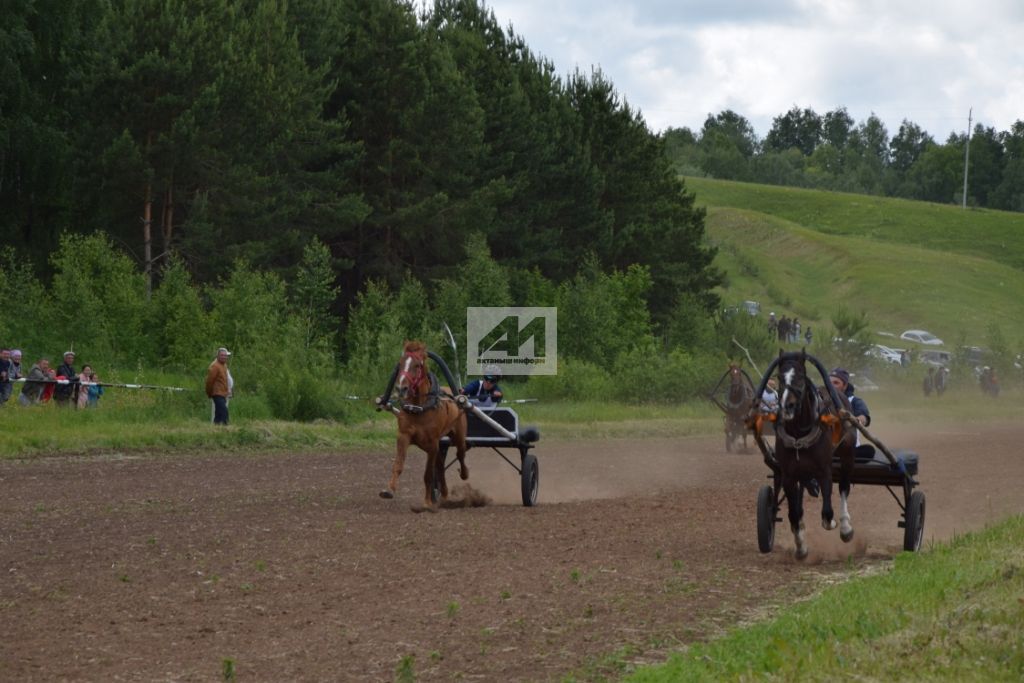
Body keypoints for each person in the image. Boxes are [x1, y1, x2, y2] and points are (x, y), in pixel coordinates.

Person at [829, 367, 874, 459]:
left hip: (847, 447)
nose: (831, 386)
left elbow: (864, 418)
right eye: (829, 383)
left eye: (836, 383)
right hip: (824, 448)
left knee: (869, 451)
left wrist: (856, 420)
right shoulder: (819, 400)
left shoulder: (854, 401)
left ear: (845, 386)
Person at [205, 347, 232, 425]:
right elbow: (209, 381)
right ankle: (225, 429)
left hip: (223, 393)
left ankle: (215, 428)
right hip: (217, 393)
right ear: (218, 356)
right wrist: (209, 393)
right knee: (224, 412)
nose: (224, 357)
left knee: (218, 414)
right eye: (222, 355)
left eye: (225, 355)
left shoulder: (224, 366)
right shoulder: (215, 366)